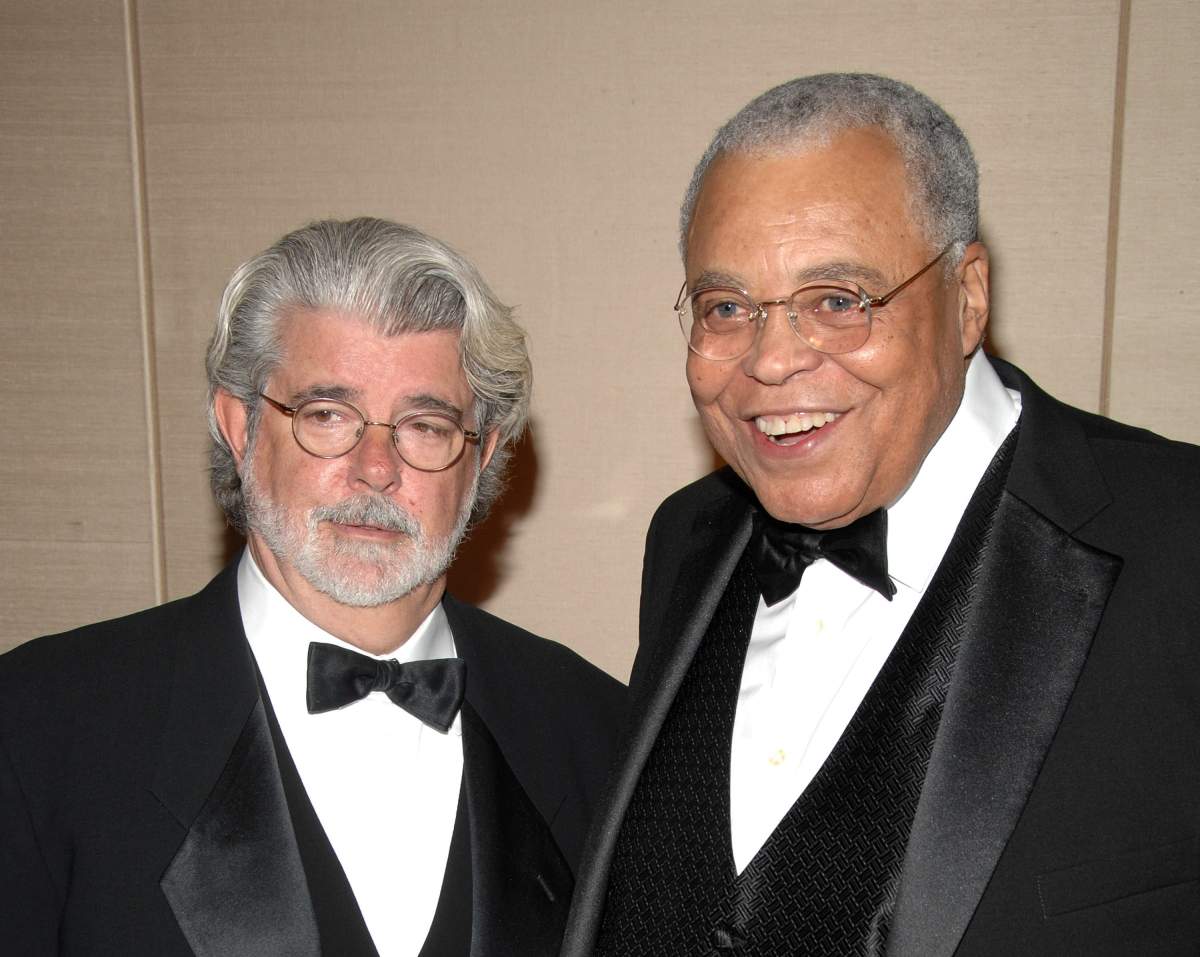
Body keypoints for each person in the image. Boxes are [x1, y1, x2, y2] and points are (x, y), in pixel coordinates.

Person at [562, 74, 1200, 956]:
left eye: (836, 299)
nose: (772, 361)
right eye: (727, 308)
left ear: (968, 296)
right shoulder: (685, 538)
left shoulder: (1178, 541)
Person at [0, 217, 623, 956]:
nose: (376, 468)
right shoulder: (41, 725)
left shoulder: (599, 731)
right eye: (328, 415)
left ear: (481, 456)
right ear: (240, 426)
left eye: (424, 425)